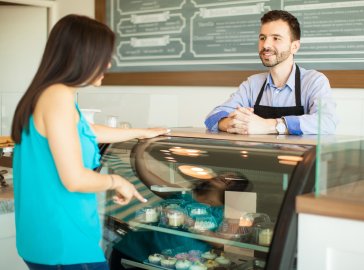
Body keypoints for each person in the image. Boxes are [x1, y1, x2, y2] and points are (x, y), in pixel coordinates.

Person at [11, 14, 169, 270]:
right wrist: (117, 181)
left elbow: (87, 131)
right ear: (83, 55)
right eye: (104, 56)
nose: (107, 64)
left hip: (42, 241)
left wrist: (141, 132)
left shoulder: (46, 93)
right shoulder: (58, 97)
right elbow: (74, 179)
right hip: (66, 244)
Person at [204, 10, 337, 135]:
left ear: (294, 46)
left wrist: (270, 125)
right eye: (262, 38)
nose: (266, 45)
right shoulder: (252, 84)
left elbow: (327, 122)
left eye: (276, 38)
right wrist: (233, 124)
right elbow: (213, 116)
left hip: (297, 158)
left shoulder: (314, 81)